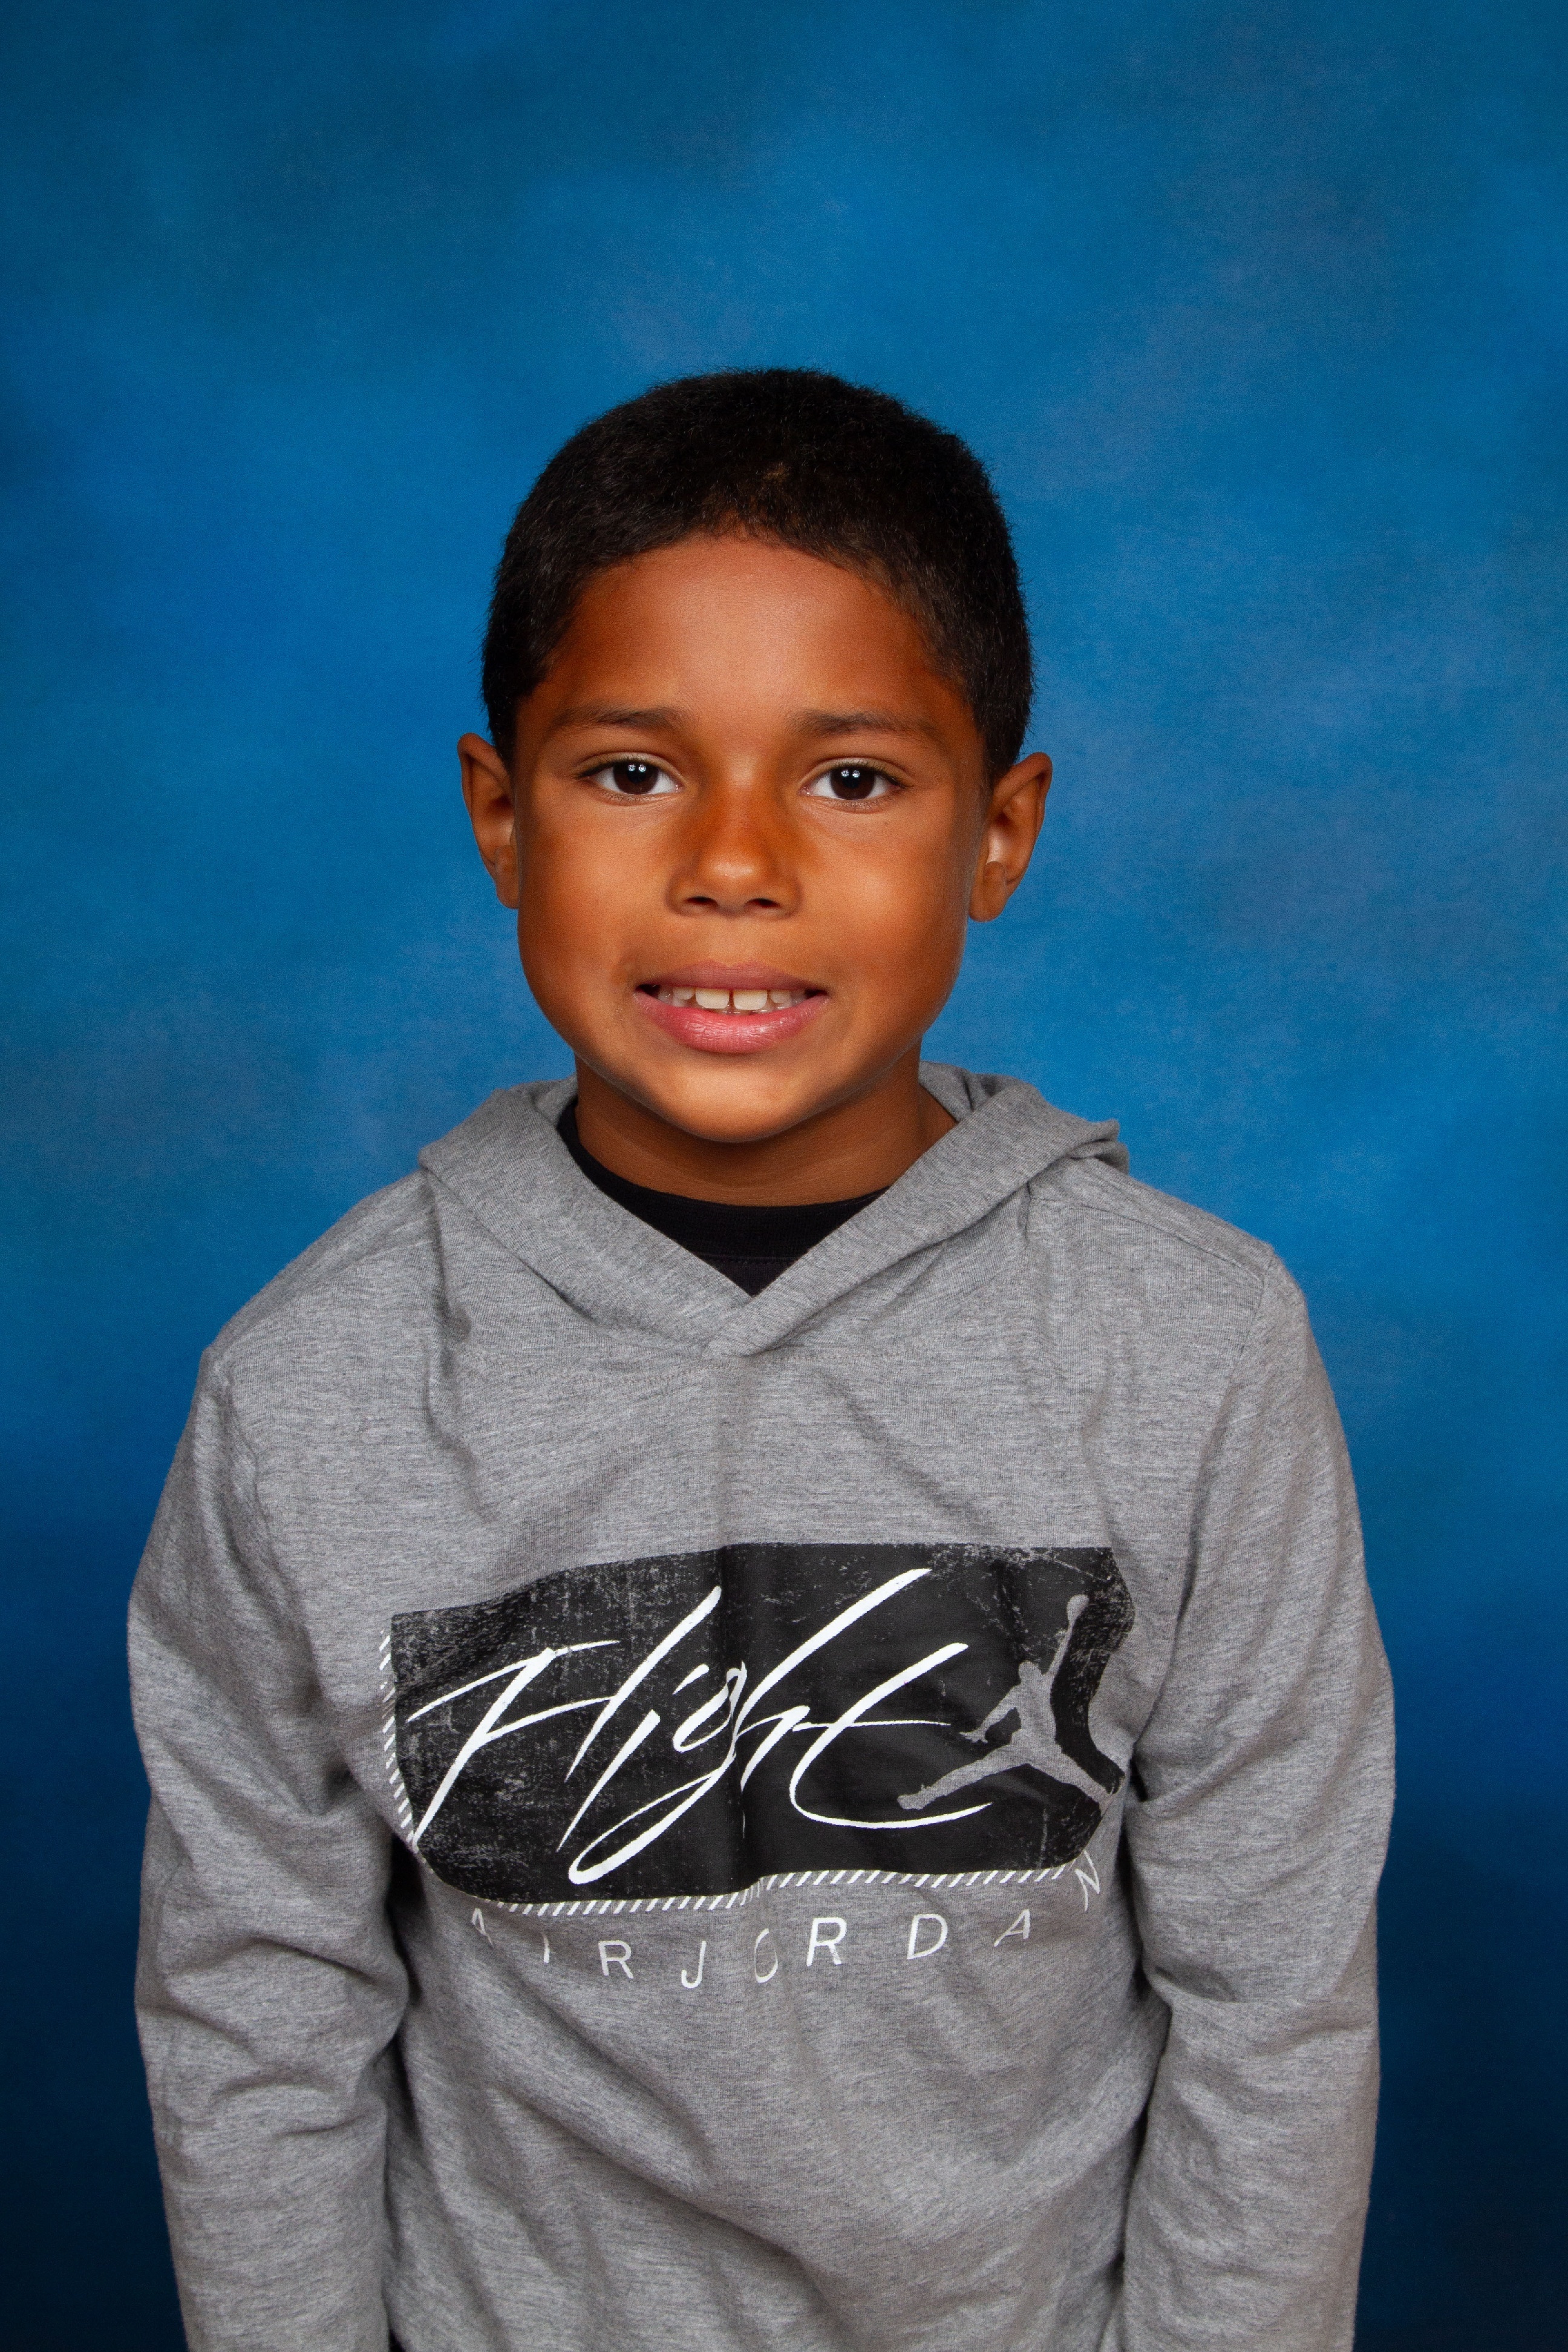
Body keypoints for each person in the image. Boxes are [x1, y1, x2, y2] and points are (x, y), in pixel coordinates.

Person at [131, 368, 1393, 2352]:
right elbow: (257, 2009)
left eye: (853, 781)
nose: (735, 862)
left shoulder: (1192, 1347)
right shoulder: (312, 1390)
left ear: (1001, 832)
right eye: (634, 772)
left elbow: (1276, 1999)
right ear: (500, 817)